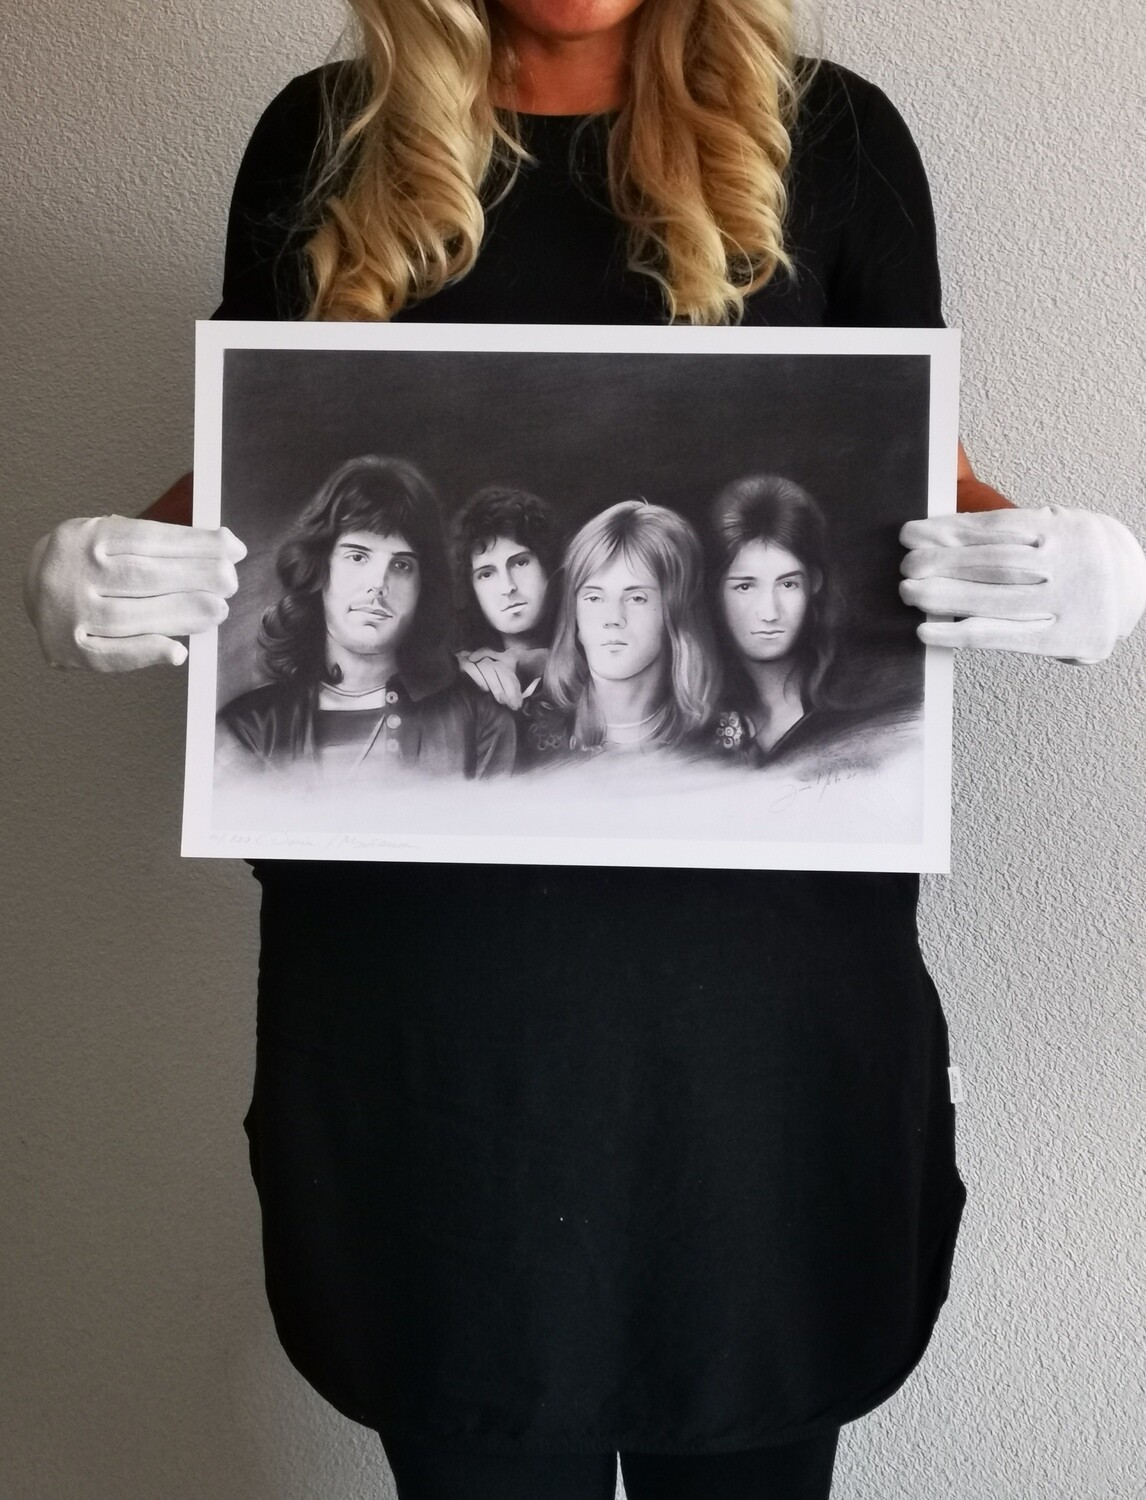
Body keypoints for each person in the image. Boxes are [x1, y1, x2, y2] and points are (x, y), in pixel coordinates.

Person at [21, 2, 1146, 1498]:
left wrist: (1066, 570)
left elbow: (913, 470)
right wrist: (108, 569)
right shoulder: (322, 139)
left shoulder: (834, 136)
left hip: (757, 1014)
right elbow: (257, 454)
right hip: (432, 1018)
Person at [218, 454, 517, 781]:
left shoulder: (480, 721)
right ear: (318, 567)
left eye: (401, 565)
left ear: (423, 586)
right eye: (358, 556)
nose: (378, 583)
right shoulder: (246, 730)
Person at [708, 472, 915, 769]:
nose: (769, 612)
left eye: (788, 584)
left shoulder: (866, 710)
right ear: (715, 591)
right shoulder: (699, 722)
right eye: (745, 586)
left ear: (814, 583)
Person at [529, 499, 717, 757]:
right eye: (594, 598)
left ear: (675, 613)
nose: (612, 618)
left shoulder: (722, 743)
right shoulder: (528, 733)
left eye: (636, 598)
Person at [450, 483, 562, 713]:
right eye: (486, 574)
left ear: (547, 565)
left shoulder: (597, 655)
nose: (507, 587)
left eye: (520, 563)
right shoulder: (462, 671)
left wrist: (534, 662)